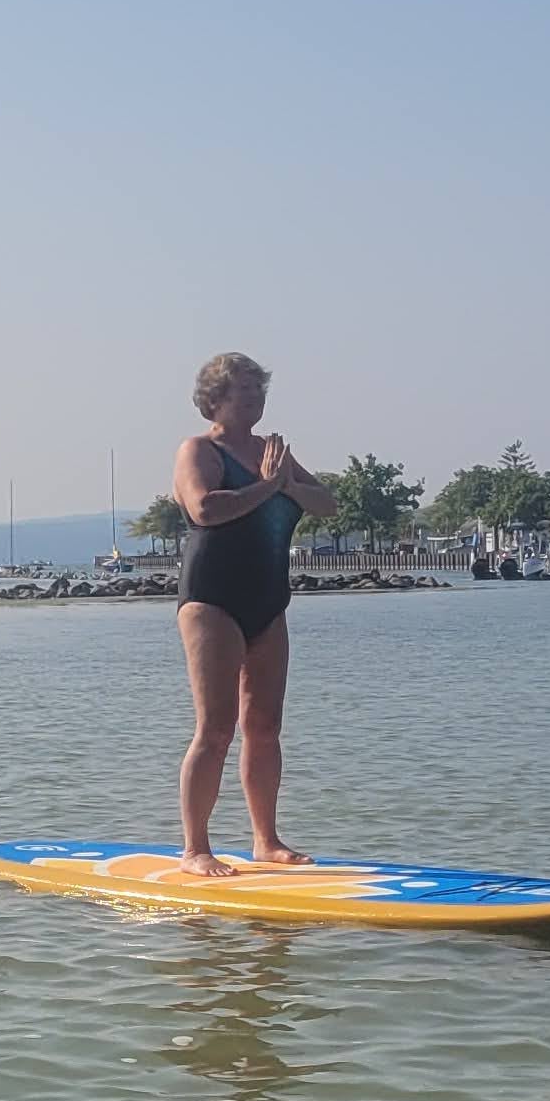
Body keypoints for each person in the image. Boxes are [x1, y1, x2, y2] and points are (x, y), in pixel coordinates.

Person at [172, 351, 342, 878]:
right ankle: (195, 848)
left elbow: (327, 504)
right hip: (213, 598)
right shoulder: (199, 450)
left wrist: (287, 481)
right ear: (215, 400)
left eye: (259, 390)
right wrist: (269, 486)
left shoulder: (275, 454)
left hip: (268, 600)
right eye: (244, 391)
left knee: (264, 726)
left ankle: (265, 841)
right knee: (216, 728)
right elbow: (205, 508)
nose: (255, 398)